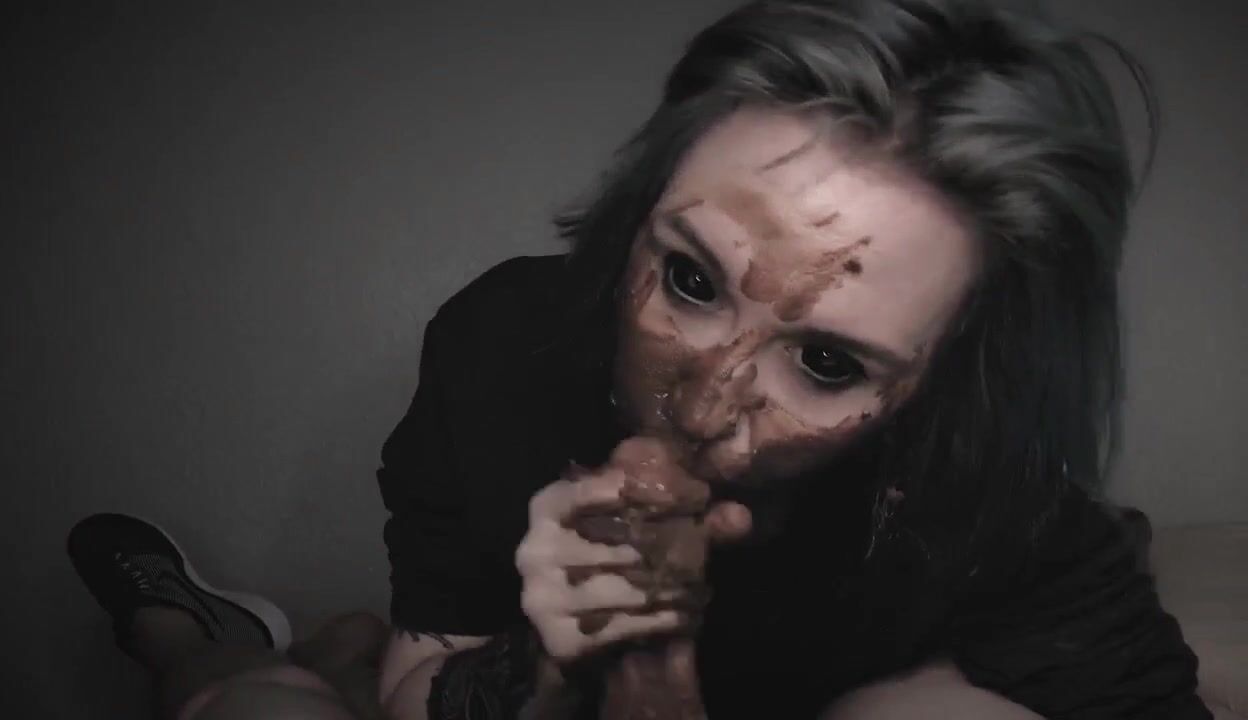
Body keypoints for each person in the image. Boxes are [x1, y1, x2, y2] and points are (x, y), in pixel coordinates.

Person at [67, 0, 1211, 718]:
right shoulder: (503, 343)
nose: (705, 407)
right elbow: (429, 688)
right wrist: (547, 669)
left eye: (826, 363)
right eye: (692, 281)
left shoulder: (990, 494)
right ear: (636, 217)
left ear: (944, 380)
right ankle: (190, 631)